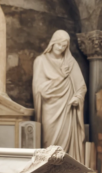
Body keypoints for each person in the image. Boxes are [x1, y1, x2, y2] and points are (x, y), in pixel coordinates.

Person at [33, 30, 87, 163]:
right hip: (49, 108)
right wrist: (61, 78)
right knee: (49, 140)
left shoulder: (70, 62)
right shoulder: (40, 61)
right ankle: (49, 167)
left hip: (67, 108)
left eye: (64, 46)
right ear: (52, 43)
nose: (61, 48)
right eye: (59, 45)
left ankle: (68, 167)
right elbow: (39, 88)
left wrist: (77, 97)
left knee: (65, 142)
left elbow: (81, 86)